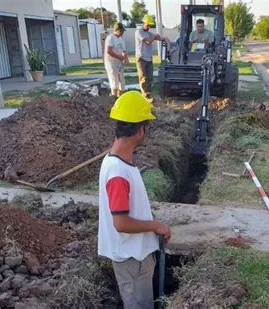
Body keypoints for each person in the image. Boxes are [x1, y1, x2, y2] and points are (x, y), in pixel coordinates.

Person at [98, 90, 172, 309]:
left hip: (135, 256)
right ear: (141, 130)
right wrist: (155, 225)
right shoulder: (118, 173)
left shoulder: (120, 162)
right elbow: (120, 223)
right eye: (147, 126)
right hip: (131, 259)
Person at [135, 15, 167, 100]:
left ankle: (148, 94)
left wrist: (163, 38)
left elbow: (157, 37)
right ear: (144, 23)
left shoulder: (149, 33)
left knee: (149, 77)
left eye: (150, 25)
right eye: (147, 25)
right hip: (141, 58)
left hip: (149, 58)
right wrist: (155, 36)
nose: (149, 26)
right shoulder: (139, 32)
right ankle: (144, 95)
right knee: (143, 77)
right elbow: (148, 41)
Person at [104, 22, 129, 97]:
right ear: (117, 30)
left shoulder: (120, 39)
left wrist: (126, 58)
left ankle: (120, 98)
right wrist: (119, 57)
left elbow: (124, 50)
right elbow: (109, 51)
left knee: (122, 83)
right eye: (121, 31)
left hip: (119, 64)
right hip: (112, 63)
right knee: (115, 83)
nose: (122, 33)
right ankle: (114, 99)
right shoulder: (111, 38)